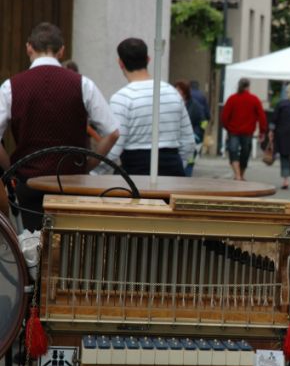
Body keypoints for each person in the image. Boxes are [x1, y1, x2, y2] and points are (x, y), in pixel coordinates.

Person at [0, 22, 119, 231]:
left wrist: (11, 164)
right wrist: (88, 164)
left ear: (29, 47)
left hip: (29, 181)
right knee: (70, 249)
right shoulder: (83, 84)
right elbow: (113, 133)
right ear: (62, 50)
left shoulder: (11, 86)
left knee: (33, 249)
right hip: (72, 182)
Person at [93, 38, 194, 177]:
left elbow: (114, 148)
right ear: (148, 59)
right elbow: (188, 141)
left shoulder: (121, 98)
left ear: (120, 63)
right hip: (173, 169)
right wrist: (179, 164)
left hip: (135, 171)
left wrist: (93, 172)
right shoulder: (173, 93)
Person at [221, 78, 267, 181]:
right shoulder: (254, 99)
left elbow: (224, 116)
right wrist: (262, 131)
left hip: (233, 131)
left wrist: (228, 127)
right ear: (248, 87)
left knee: (233, 151)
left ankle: (237, 175)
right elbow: (262, 117)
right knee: (245, 153)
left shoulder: (232, 99)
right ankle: (240, 175)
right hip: (248, 131)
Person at [174, 80, 205, 177]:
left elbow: (203, 122)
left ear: (185, 92)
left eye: (179, 91)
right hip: (175, 143)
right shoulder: (173, 105)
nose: (177, 93)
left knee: (187, 169)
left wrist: (197, 135)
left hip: (191, 141)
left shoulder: (196, 107)